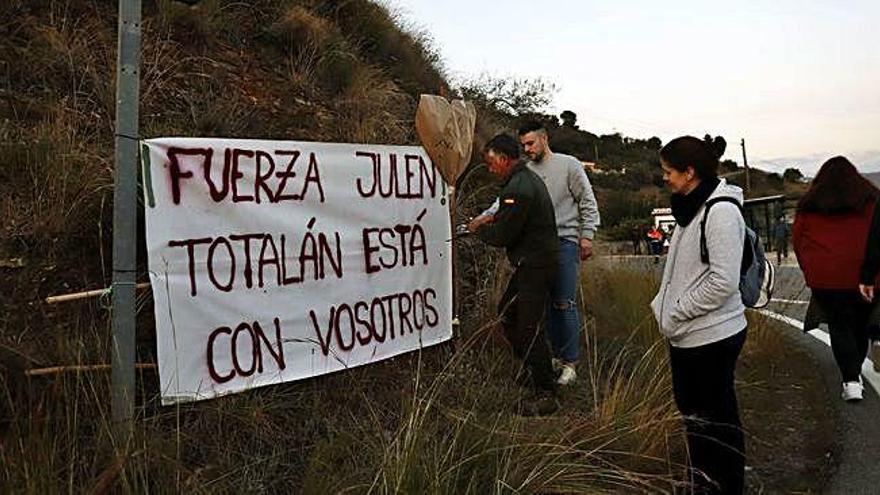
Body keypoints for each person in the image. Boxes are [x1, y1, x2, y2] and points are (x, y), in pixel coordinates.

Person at [649, 136, 747, 494]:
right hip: (691, 333)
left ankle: (724, 485)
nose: (665, 178)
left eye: (668, 171)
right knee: (696, 417)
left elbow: (723, 281)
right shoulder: (692, 206)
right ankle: (703, 481)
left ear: (689, 172)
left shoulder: (719, 211)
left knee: (716, 421)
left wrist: (676, 312)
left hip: (713, 334)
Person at [470, 121, 601, 386]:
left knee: (563, 303)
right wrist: (481, 219)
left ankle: (569, 362)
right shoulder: (523, 172)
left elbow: (587, 200)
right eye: (524, 145)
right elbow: (500, 204)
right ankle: (549, 359)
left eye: (531, 143)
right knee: (540, 308)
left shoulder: (569, 165)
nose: (527, 149)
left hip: (564, 240)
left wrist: (587, 235)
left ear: (544, 139)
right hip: (537, 241)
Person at [469, 134, 560, 416]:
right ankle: (536, 369)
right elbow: (509, 217)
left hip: (535, 265)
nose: (489, 168)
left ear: (505, 160)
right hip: (533, 263)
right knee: (508, 315)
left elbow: (503, 234)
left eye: (491, 162)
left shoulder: (518, 188)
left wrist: (478, 229)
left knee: (527, 326)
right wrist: (490, 219)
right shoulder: (521, 182)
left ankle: (545, 392)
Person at [793, 156, 880, 401]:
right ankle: (864, 356)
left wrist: (810, 270)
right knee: (861, 324)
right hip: (868, 275)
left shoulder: (808, 205)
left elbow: (798, 242)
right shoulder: (871, 201)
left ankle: (851, 381)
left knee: (840, 325)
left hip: (827, 277)